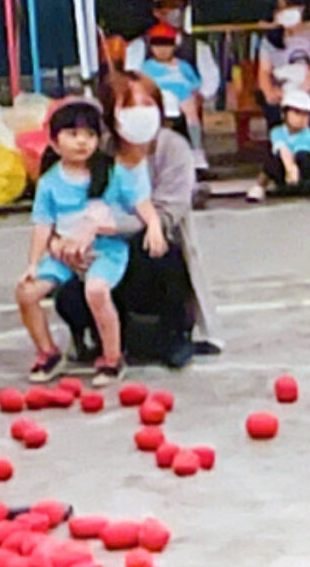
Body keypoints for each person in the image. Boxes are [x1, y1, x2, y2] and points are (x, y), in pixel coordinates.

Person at [53, 73, 217, 369]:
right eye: (129, 106)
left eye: (146, 103)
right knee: (65, 287)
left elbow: (168, 213)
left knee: (159, 250)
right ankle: (99, 335)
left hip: (151, 256)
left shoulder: (173, 148)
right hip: (101, 255)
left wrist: (111, 225)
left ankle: (175, 334)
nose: (139, 112)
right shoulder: (98, 151)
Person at [16, 99, 157, 383]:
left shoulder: (112, 171)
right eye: (73, 134)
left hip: (106, 252)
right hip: (63, 256)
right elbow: (43, 225)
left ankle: (112, 358)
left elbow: (140, 202)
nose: (82, 142)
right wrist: (33, 264)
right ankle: (48, 353)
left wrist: (154, 225)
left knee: (96, 290)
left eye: (89, 135)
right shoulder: (49, 183)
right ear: (54, 143)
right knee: (26, 293)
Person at [122, 0, 222, 136]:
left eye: (178, 6)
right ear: (156, 12)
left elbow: (211, 78)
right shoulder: (139, 47)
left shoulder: (198, 47)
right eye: (168, 6)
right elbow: (131, 78)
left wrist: (199, 95)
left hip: (185, 111)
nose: (175, 11)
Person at [252, 0, 310, 132]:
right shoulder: (269, 41)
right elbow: (264, 71)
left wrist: (301, 91)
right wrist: (269, 92)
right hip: (281, 91)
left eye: (289, 6)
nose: (285, 11)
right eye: (280, 8)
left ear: (301, 8)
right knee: (273, 112)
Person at [129, 23, 207, 146]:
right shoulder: (147, 67)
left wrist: (195, 91)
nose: (162, 50)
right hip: (158, 96)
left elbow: (194, 81)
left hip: (183, 96)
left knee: (191, 111)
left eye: (167, 44)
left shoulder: (183, 65)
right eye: (158, 44)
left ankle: (196, 146)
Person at [247, 87, 310, 201]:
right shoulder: (277, 132)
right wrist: (290, 169)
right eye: (297, 113)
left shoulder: (307, 133)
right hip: (286, 175)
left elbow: (304, 154)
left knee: (304, 155)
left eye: (306, 114)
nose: (302, 118)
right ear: (284, 114)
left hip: (305, 178)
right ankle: (259, 187)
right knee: (273, 159)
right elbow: (282, 148)